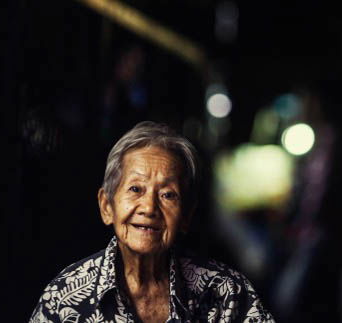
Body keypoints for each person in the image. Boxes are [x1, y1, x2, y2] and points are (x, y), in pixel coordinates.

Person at [29, 121, 274, 322]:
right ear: (106, 206)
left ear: (186, 215)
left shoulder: (227, 294)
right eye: (136, 189)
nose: (149, 208)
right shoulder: (63, 298)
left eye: (168, 195)